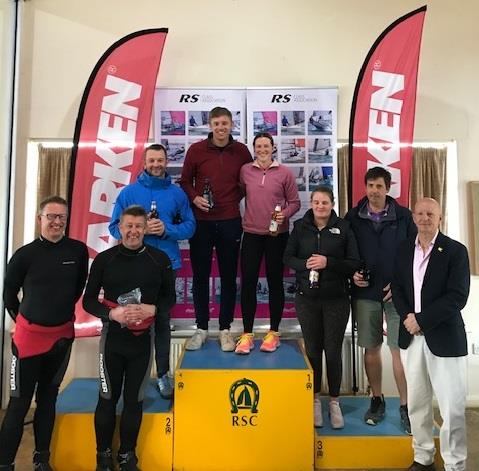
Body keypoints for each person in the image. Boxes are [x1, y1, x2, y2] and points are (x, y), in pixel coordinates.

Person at [0, 196, 88, 471]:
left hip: (61, 337)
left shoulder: (78, 251)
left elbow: (77, 290)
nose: (56, 221)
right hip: (27, 340)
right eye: (51, 216)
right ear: (40, 219)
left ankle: (42, 460)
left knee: (48, 401)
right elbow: (8, 295)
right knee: (18, 405)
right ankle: (5, 463)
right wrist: (23, 322)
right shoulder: (24, 255)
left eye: (61, 216)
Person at [84, 205, 175, 471]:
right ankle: (102, 456)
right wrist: (112, 314)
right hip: (112, 341)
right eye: (129, 226)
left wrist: (154, 309)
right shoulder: (105, 259)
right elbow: (89, 301)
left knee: (134, 400)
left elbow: (170, 298)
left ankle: (127, 455)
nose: (133, 231)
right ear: (120, 228)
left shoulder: (160, 259)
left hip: (142, 343)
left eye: (138, 226)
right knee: (107, 398)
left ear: (146, 228)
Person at [109, 143, 195, 399]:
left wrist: (167, 229)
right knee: (133, 320)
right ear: (144, 163)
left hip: (166, 265)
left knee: (162, 322)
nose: (156, 164)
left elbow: (190, 227)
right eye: (152, 160)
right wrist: (138, 231)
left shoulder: (177, 194)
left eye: (160, 160)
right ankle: (133, 376)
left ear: (166, 162)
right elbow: (115, 228)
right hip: (132, 265)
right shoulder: (129, 193)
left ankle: (164, 375)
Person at [392, 198, 470, 471]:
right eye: (420, 213)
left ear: (440, 218)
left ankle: (454, 464)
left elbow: (457, 297)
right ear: (413, 217)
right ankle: (423, 457)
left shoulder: (455, 251)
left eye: (430, 214)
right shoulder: (402, 250)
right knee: (417, 405)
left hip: (445, 340)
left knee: (452, 409)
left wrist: (422, 321)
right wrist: (408, 319)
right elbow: (398, 289)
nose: (425, 218)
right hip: (411, 340)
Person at [345, 166, 416, 432]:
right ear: (365, 188)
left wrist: (399, 285)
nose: (374, 191)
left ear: (388, 188)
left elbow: (414, 256)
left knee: (400, 352)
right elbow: (346, 254)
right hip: (365, 294)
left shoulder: (405, 217)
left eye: (379, 186)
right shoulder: (352, 217)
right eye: (370, 186)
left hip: (398, 295)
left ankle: (406, 406)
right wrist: (353, 274)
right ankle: (377, 399)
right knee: (371, 348)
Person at [284, 187, 360, 429]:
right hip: (307, 299)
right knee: (314, 351)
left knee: (334, 350)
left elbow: (354, 263)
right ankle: (315, 400)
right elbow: (288, 258)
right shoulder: (300, 227)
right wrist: (305, 264)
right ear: (312, 203)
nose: (320, 206)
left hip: (336, 299)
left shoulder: (344, 228)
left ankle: (334, 402)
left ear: (332, 203)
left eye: (325, 202)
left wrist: (329, 263)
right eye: (316, 202)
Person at [179, 106, 252, 351]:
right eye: (217, 123)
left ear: (232, 125)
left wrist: (234, 198)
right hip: (201, 222)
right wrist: (195, 198)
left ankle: (225, 329)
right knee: (200, 277)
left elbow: (249, 180)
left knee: (229, 277)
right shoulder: (196, 150)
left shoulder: (241, 151)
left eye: (225, 123)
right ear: (210, 125)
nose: (221, 127)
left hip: (231, 221)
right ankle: (201, 328)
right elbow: (184, 181)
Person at [235, 132, 300, 354]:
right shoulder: (245, 171)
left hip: (277, 235)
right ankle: (247, 334)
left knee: (274, 283)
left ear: (273, 148)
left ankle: (273, 332)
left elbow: (295, 202)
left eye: (266, 146)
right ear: (254, 149)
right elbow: (241, 194)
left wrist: (285, 215)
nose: (262, 149)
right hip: (251, 234)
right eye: (259, 146)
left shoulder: (285, 173)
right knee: (249, 284)